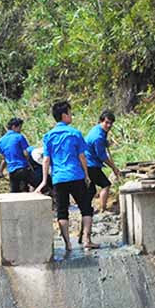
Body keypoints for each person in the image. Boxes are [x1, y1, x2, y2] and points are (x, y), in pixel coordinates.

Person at [38, 101, 95, 251]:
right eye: (70, 113)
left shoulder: (48, 136)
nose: (71, 116)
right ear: (64, 115)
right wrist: (86, 174)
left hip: (58, 179)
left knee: (62, 212)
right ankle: (87, 240)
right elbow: (82, 156)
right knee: (86, 208)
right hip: (76, 175)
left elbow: (46, 159)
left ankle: (68, 245)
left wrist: (44, 180)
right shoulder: (75, 133)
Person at [84, 110, 122, 212]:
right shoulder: (98, 137)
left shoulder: (98, 129)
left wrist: (105, 142)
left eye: (111, 123)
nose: (109, 125)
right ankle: (103, 209)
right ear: (101, 121)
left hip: (87, 162)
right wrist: (114, 168)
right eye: (106, 122)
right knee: (106, 185)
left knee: (91, 190)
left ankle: (86, 209)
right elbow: (102, 157)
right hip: (90, 165)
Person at [0, 117, 33, 193]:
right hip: (22, 168)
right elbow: (26, 153)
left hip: (11, 171)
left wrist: (0, 171)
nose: (20, 130)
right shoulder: (19, 137)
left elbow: (4, 158)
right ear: (14, 127)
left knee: (15, 193)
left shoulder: (1, 141)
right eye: (19, 127)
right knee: (26, 191)